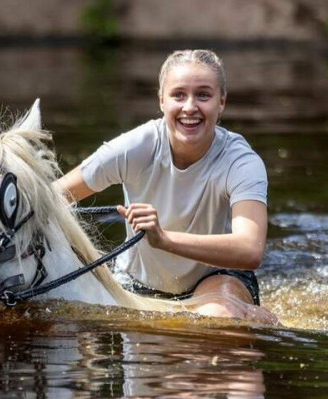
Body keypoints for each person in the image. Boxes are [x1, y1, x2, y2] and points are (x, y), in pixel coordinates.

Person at [56, 49, 277, 324]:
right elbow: (51, 198)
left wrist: (164, 239)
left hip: (215, 278)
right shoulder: (136, 146)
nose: (190, 107)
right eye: (179, 95)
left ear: (222, 102)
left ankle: (237, 311)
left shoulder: (241, 161)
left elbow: (250, 249)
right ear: (161, 101)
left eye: (203, 95)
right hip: (135, 283)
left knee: (218, 319)